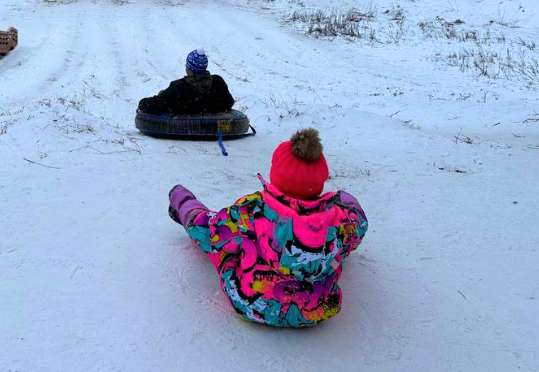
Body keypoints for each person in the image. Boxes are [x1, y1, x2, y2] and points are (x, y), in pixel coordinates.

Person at [167, 128, 368, 328]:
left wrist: (183, 201)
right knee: (337, 249)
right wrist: (344, 200)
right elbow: (359, 226)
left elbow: (208, 231)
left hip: (253, 304)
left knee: (223, 242)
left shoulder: (252, 210)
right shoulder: (340, 218)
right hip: (318, 309)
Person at [137, 49, 234, 116]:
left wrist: (143, 103)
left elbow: (157, 105)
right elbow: (229, 102)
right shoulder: (218, 82)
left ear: (190, 70)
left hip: (185, 137)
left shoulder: (179, 88)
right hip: (216, 131)